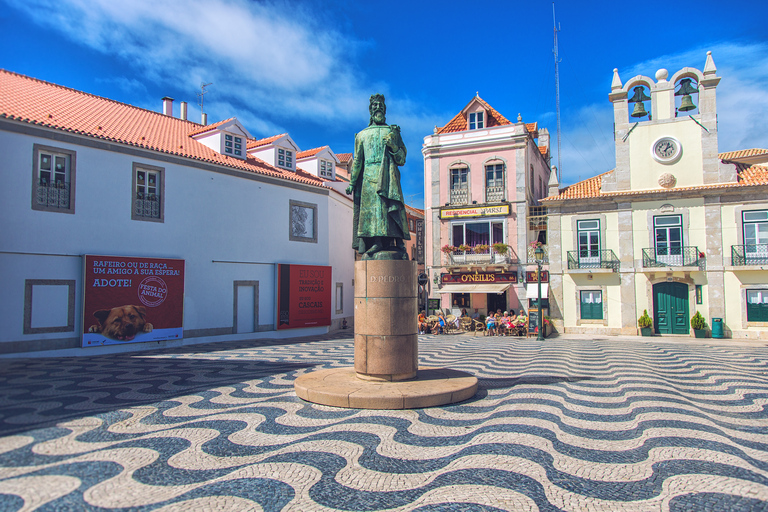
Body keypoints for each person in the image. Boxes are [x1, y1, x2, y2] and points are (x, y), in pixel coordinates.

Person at [345, 94, 409, 260]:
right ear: (370, 110)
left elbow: (401, 158)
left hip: (389, 177)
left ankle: (396, 242)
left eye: (380, 105)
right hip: (368, 178)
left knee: (389, 209)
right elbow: (358, 160)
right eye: (374, 106)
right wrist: (352, 183)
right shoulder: (361, 135)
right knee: (373, 213)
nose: (378, 108)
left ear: (385, 109)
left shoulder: (392, 131)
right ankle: (376, 242)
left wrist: (394, 146)